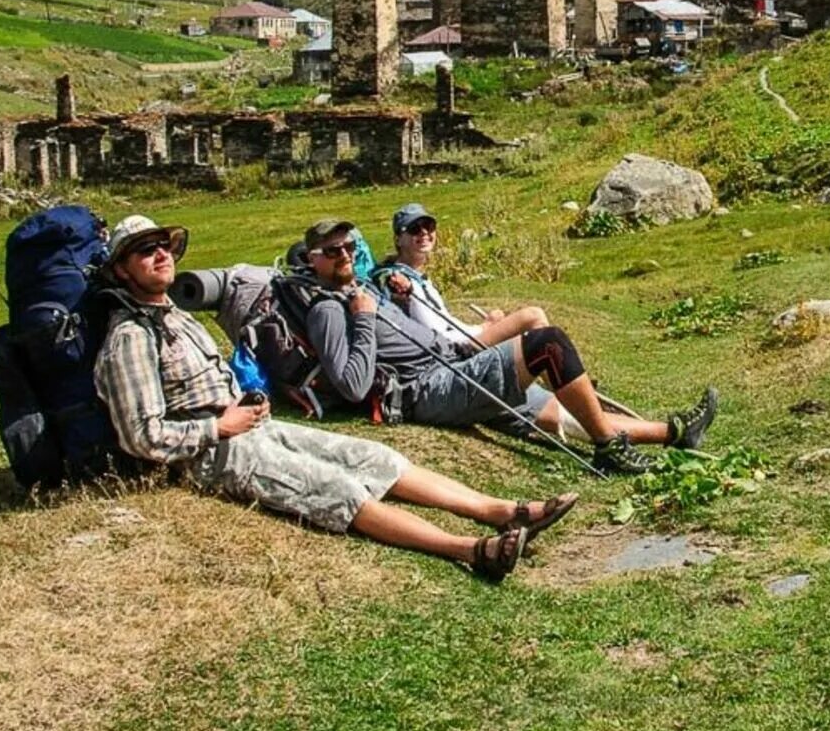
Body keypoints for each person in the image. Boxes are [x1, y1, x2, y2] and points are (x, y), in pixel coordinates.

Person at [90, 214, 577, 580]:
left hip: (248, 424)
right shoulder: (129, 336)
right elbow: (141, 436)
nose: (161, 255)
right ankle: (469, 549)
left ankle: (501, 510)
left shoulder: (174, 315)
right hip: (212, 451)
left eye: (163, 246)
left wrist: (245, 406)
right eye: (144, 251)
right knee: (335, 489)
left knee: (374, 456)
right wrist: (218, 427)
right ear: (123, 271)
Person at [295, 217, 716, 477]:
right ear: (313, 260)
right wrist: (366, 317)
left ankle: (676, 433)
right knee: (547, 343)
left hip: (451, 366)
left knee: (561, 416)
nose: (345, 255)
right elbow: (352, 385)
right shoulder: (328, 311)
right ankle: (609, 450)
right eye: (332, 251)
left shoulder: (362, 289)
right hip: (427, 390)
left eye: (350, 246)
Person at [371, 203, 550, 349]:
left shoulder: (417, 277)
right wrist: (485, 328)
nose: (424, 233)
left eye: (429, 226)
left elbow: (446, 321)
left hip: (454, 344)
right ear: (398, 239)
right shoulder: (400, 282)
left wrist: (483, 327)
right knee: (532, 317)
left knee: (522, 329)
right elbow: (437, 332)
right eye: (414, 229)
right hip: (451, 353)